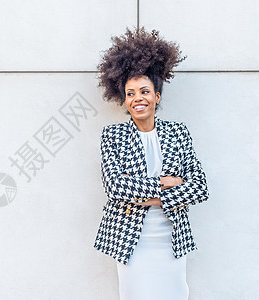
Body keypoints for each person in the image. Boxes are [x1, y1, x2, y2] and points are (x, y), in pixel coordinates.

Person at [93, 27, 209, 300]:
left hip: (171, 236)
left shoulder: (178, 132)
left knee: (175, 294)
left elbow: (200, 187)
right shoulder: (113, 136)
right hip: (130, 238)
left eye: (144, 91)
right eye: (130, 94)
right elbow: (116, 188)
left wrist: (150, 199)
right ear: (124, 100)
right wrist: (165, 185)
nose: (137, 99)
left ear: (157, 96)